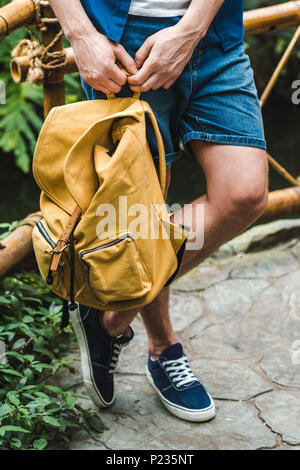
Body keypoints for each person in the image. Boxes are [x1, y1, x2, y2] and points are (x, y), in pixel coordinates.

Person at [49, 0, 268, 422]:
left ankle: (110, 317)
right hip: (120, 46)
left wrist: (190, 29)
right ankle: (163, 347)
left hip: (212, 35)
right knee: (142, 210)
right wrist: (80, 34)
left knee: (244, 194)